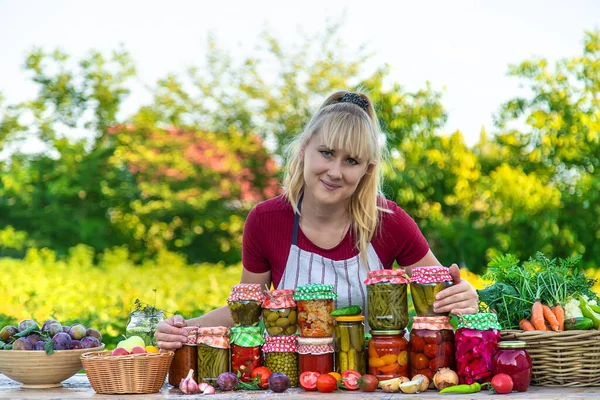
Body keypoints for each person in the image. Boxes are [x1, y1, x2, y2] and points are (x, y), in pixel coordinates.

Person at [155, 90, 479, 350]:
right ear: (304, 149)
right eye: (326, 153)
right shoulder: (266, 220)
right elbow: (246, 311)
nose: (335, 172)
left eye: (351, 160)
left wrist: (465, 298)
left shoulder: (389, 222)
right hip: (288, 384)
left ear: (367, 169)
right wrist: (185, 327)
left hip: (376, 381)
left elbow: (440, 297)